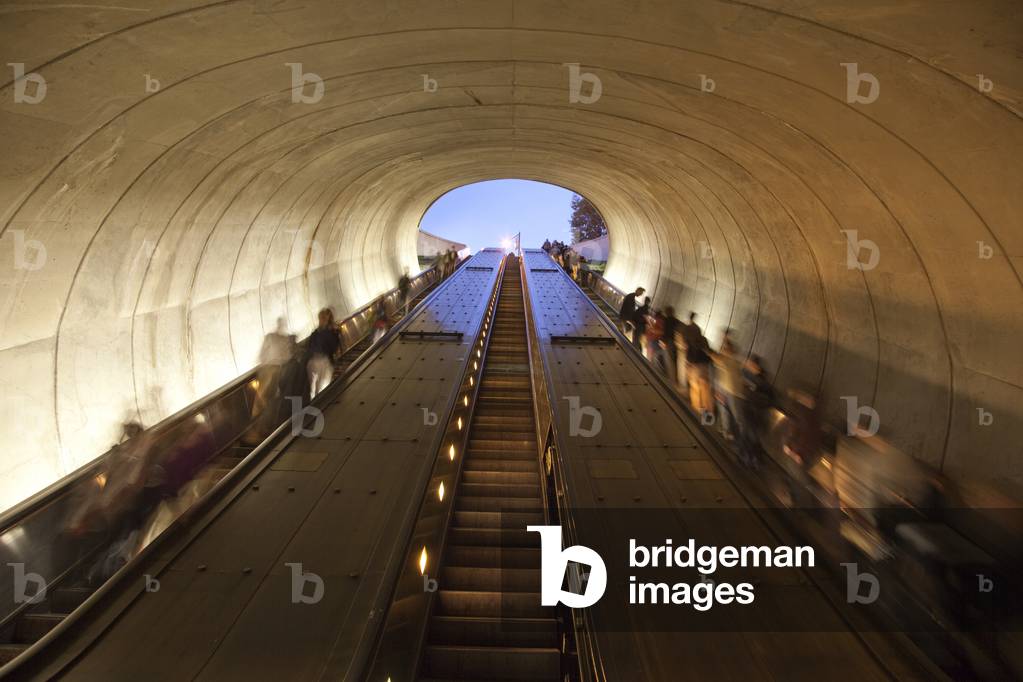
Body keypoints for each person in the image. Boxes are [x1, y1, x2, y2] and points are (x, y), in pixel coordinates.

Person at [782, 388, 824, 506]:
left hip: (804, 454)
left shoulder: (808, 415)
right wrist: (794, 453)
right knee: (799, 479)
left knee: (799, 479)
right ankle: (800, 501)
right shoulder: (801, 415)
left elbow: (808, 436)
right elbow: (790, 438)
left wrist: (795, 453)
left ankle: (801, 501)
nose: (808, 400)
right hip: (800, 454)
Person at [737, 355, 774, 469]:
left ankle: (752, 460)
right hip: (748, 410)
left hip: (756, 412)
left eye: (750, 364)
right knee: (747, 436)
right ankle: (746, 458)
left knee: (753, 438)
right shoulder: (746, 373)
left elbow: (768, 397)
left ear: (756, 365)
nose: (749, 366)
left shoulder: (762, 380)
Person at [712, 330, 743, 441]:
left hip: (731, 388)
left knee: (729, 411)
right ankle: (726, 431)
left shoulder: (730, 357)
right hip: (725, 387)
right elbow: (718, 373)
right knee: (726, 411)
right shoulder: (723, 357)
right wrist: (717, 390)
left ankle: (728, 431)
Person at [306, 308, 339, 398]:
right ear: (327, 319)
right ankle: (321, 405)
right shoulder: (329, 332)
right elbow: (333, 348)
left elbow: (309, 347)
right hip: (324, 362)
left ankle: (313, 402)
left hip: (312, 362)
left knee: (314, 388)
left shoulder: (315, 333)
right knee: (323, 388)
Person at [686, 323, 713, 418]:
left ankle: (697, 416)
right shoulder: (704, 340)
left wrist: (688, 370)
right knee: (707, 398)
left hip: (695, 370)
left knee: (696, 395)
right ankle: (708, 420)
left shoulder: (690, 341)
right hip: (705, 369)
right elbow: (709, 354)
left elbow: (688, 358)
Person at [661, 306, 681, 386]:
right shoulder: (677, 321)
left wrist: (663, 342)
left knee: (669, 361)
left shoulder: (666, 320)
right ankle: (675, 379)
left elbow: (665, 332)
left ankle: (672, 381)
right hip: (675, 343)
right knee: (674, 360)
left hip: (668, 342)